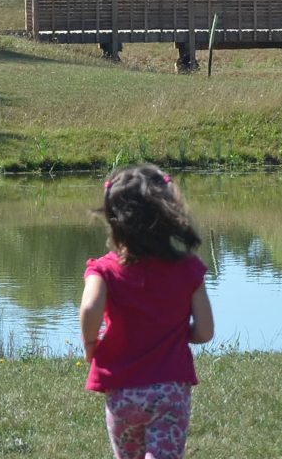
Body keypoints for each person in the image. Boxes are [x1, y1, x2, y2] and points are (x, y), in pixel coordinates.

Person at [79, 164, 215, 459]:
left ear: (114, 221)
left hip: (122, 392)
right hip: (170, 392)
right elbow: (205, 331)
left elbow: (90, 307)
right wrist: (178, 333)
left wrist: (91, 343)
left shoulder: (103, 270)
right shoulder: (188, 269)